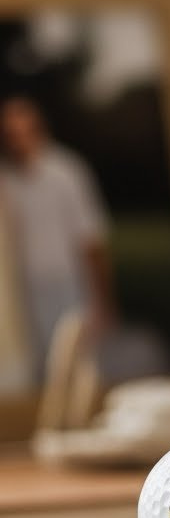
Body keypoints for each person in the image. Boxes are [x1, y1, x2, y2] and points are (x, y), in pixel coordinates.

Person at [0, 96, 114, 378]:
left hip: (68, 286)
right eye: (10, 135)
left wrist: (103, 300)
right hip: (26, 292)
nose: (16, 141)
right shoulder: (7, 180)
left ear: (38, 129)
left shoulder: (67, 173)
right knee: (41, 369)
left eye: (22, 132)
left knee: (79, 367)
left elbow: (91, 240)